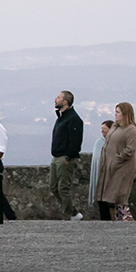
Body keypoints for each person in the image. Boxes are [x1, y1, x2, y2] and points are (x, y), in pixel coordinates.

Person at [95, 103, 136, 221]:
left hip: (122, 167)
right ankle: (109, 220)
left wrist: (117, 160)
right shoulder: (115, 126)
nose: (115, 115)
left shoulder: (131, 130)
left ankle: (124, 217)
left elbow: (130, 149)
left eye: (118, 112)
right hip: (108, 166)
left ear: (125, 114)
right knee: (104, 194)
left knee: (118, 194)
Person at [49, 90, 84, 221]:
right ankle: (73, 213)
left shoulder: (73, 119)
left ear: (65, 102)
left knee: (63, 188)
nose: (55, 99)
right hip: (56, 156)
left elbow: (76, 141)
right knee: (53, 187)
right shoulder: (61, 117)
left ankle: (68, 216)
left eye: (58, 98)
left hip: (65, 158)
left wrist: (68, 156)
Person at [88, 121, 112, 212]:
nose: (102, 131)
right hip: (100, 175)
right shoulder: (99, 142)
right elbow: (97, 158)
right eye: (101, 129)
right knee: (101, 202)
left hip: (111, 176)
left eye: (104, 129)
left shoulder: (116, 142)